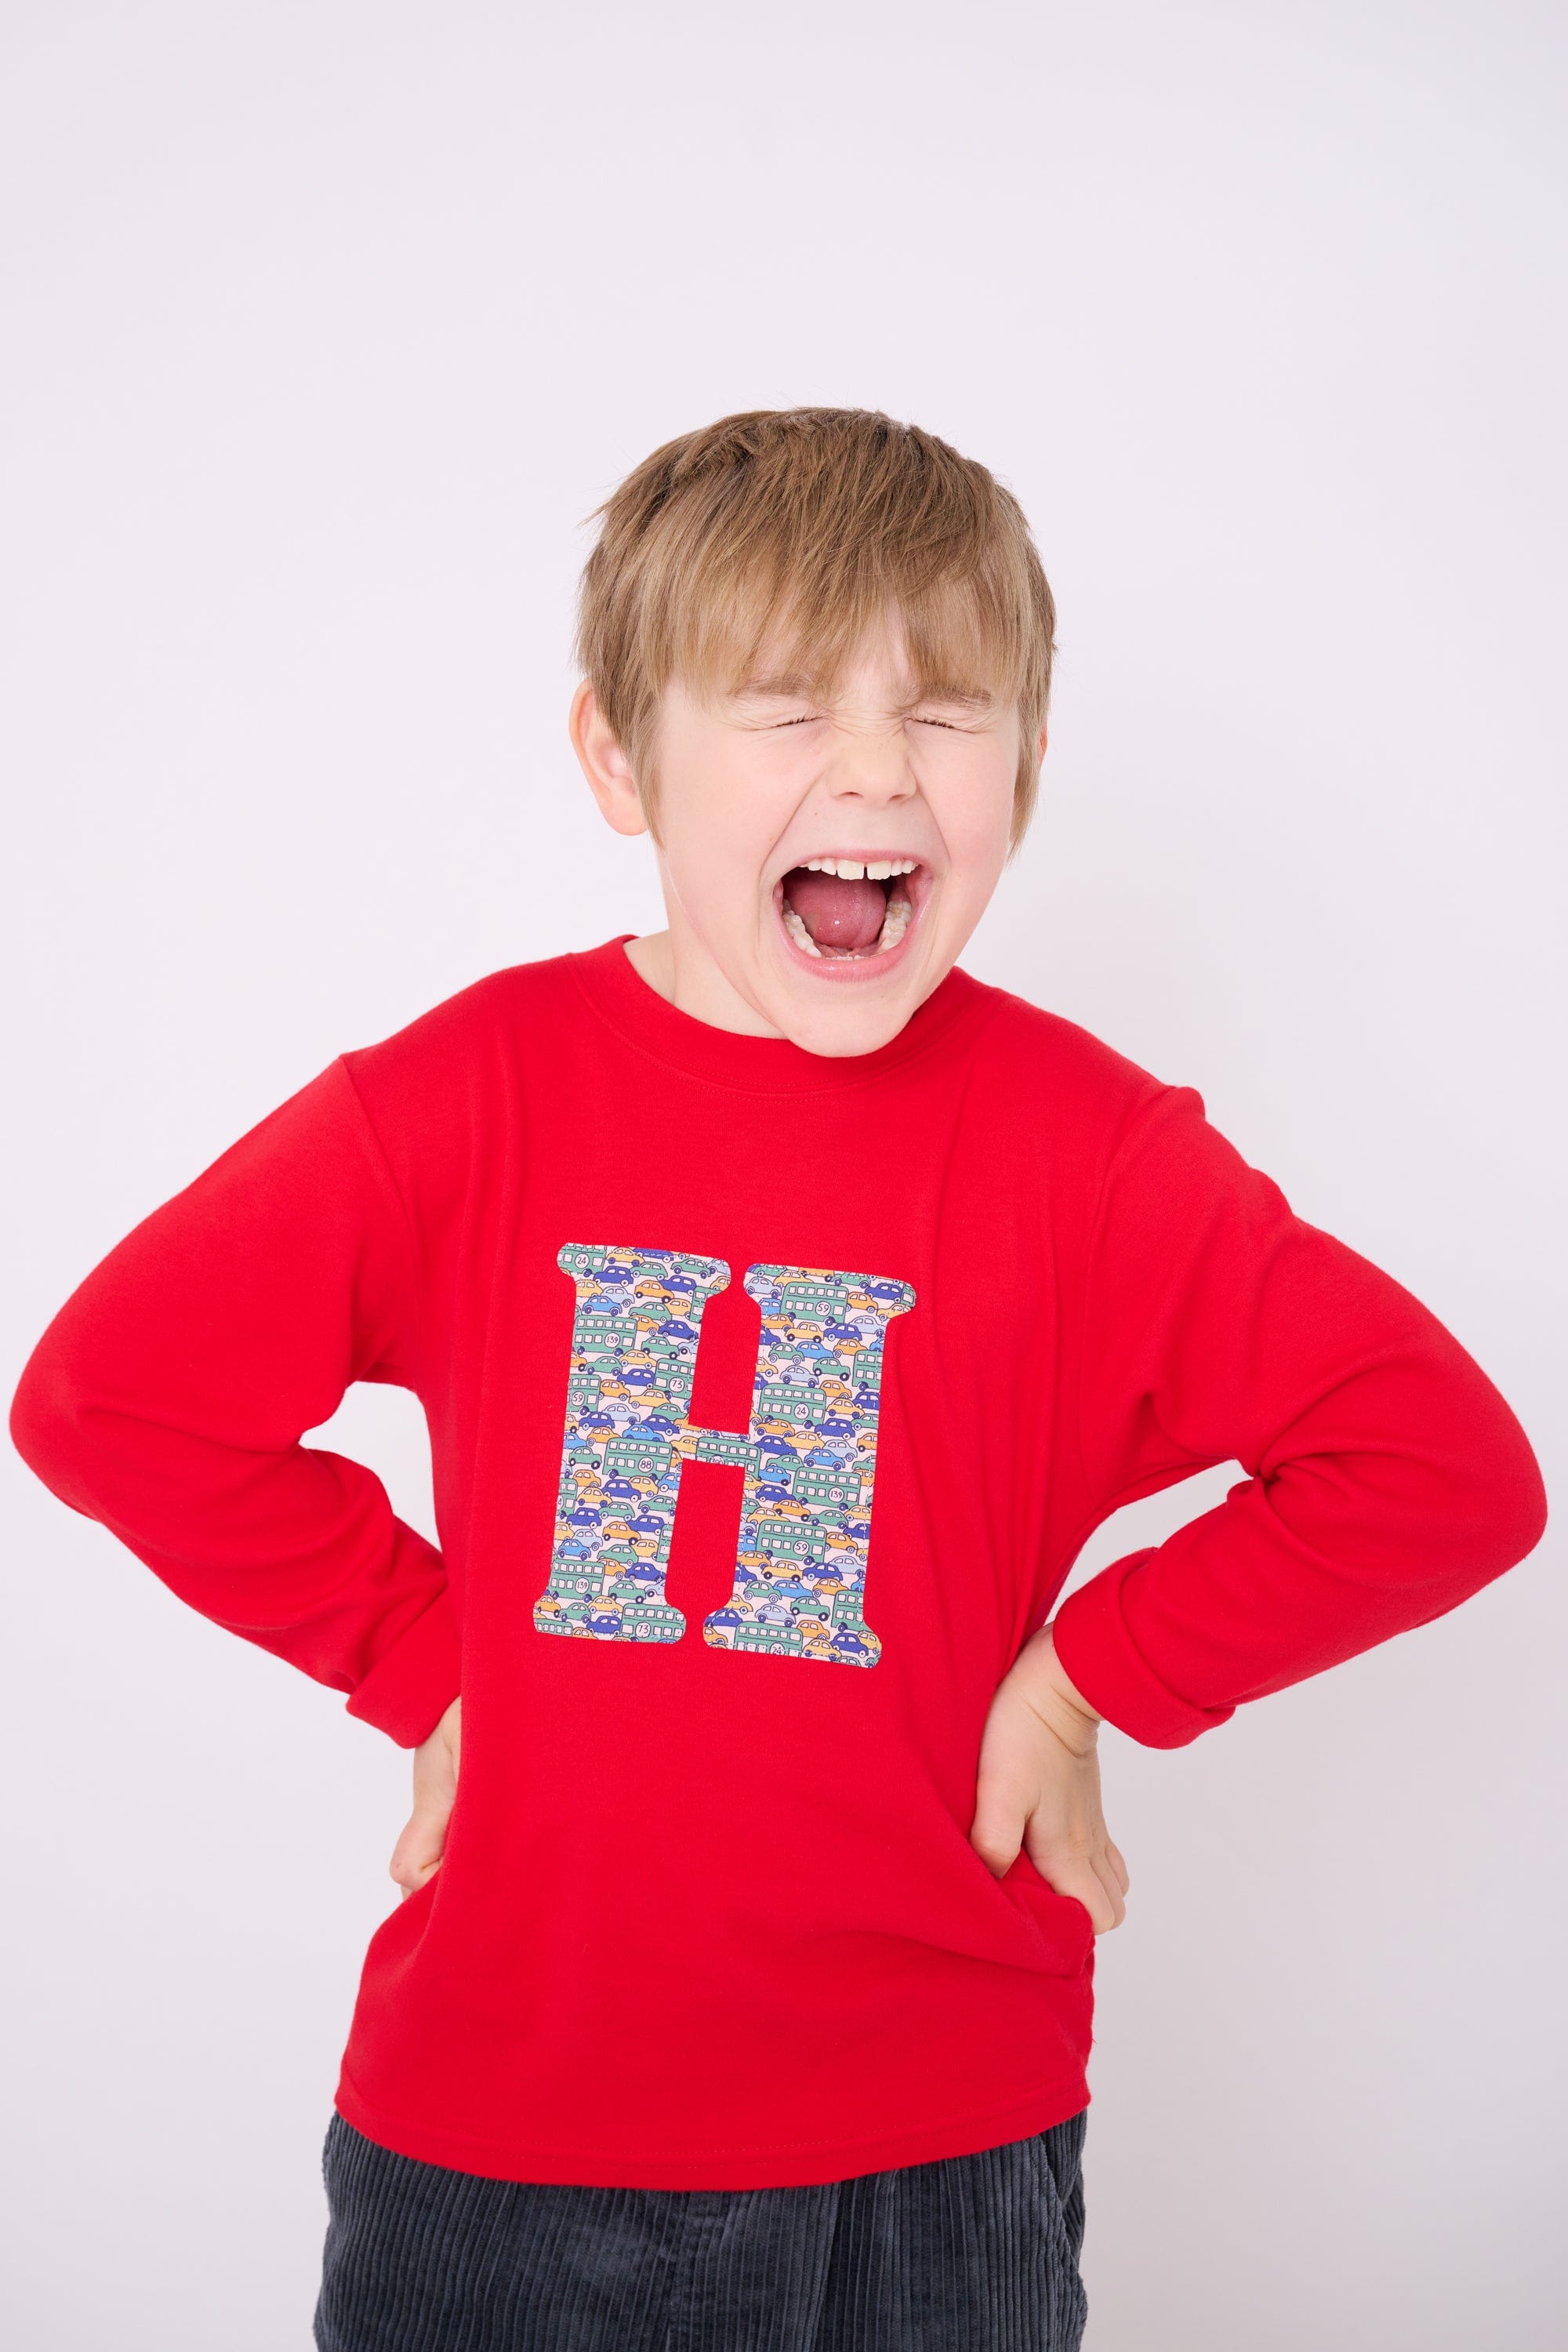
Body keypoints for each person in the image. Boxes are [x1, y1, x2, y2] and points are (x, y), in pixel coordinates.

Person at [9, 408, 1547, 2352]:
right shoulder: (464, 1101)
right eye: (783, 709)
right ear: (614, 757)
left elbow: (1442, 1468)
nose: (877, 774)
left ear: (1033, 767)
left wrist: (1090, 1681)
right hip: (499, 2148)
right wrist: (422, 1654)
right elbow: (111, 1399)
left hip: (932, 2162)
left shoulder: (1093, 1154)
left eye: (946, 712)